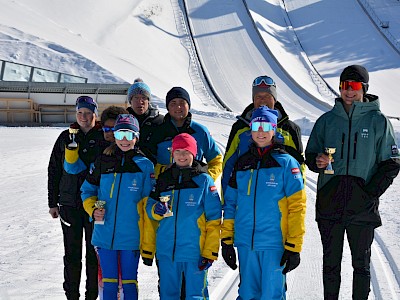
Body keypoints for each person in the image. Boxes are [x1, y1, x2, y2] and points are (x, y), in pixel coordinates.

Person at [305, 65, 400, 299]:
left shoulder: (378, 121)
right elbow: (310, 155)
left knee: (361, 266)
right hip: (330, 202)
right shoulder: (327, 121)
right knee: (330, 265)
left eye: (355, 86)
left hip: (362, 206)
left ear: (364, 89)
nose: (349, 91)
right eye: (345, 86)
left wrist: (369, 193)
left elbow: (391, 162)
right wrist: (317, 160)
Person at [221, 106, 306, 299]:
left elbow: (297, 207)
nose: (261, 131)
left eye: (266, 125)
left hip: (273, 244)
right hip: (245, 243)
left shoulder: (286, 163)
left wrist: (294, 245)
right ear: (250, 129)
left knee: (272, 294)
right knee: (247, 293)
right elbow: (231, 204)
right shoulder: (241, 164)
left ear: (274, 129)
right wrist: (226, 240)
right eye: (257, 125)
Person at [81, 114, 155, 300]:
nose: (124, 140)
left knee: (130, 282)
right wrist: (93, 209)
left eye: (129, 135)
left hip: (131, 236)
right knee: (109, 283)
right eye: (121, 133)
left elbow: (149, 203)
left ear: (136, 138)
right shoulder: (102, 161)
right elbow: (88, 191)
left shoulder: (145, 166)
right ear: (114, 135)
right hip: (104, 235)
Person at [144, 133, 222, 299]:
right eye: (177, 151)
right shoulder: (163, 179)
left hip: (194, 252)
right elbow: (149, 206)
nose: (181, 156)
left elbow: (214, 220)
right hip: (166, 252)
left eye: (186, 151)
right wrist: (155, 210)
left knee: (196, 295)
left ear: (194, 154)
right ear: (172, 153)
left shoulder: (204, 181)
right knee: (168, 295)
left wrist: (210, 252)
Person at [48, 95, 108, 300]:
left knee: (94, 254)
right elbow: (54, 170)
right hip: (69, 203)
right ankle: (71, 295)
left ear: (95, 113)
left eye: (88, 112)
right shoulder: (66, 137)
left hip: (96, 203)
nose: (84, 116)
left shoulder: (103, 137)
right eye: (80, 112)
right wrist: (52, 202)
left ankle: (91, 295)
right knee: (72, 254)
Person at [222, 75, 304, 196]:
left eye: (267, 96)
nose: (262, 100)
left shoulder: (289, 129)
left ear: (274, 99)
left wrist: (296, 201)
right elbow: (228, 164)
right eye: (258, 97)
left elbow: (299, 167)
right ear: (253, 99)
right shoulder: (240, 128)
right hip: (245, 199)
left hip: (277, 201)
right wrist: (226, 201)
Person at [147, 86, 223, 181]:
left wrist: (207, 178)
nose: (178, 107)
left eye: (182, 103)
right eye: (173, 103)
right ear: (168, 107)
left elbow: (216, 160)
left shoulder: (200, 131)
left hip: (193, 190)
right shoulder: (158, 131)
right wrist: (162, 172)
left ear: (189, 106)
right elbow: (148, 163)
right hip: (165, 189)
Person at [126, 81, 164, 161]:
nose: (140, 102)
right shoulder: (123, 121)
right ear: (130, 101)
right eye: (136, 98)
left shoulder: (161, 121)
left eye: (143, 98)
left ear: (148, 101)